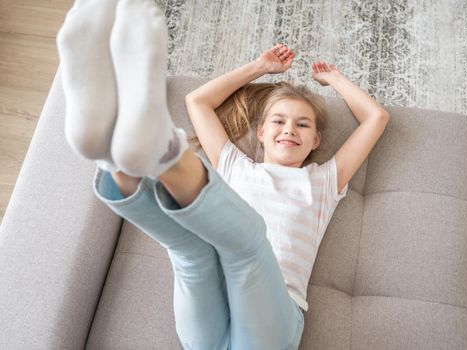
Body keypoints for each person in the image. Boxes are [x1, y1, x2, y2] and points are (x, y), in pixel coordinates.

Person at [56, 0, 390, 349]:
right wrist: (261, 67)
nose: (290, 129)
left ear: (316, 141)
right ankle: (146, 148)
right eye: (279, 121)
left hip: (210, 331)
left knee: (189, 252)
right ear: (260, 133)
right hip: (273, 305)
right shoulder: (237, 165)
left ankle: (114, 158)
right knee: (245, 248)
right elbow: (197, 102)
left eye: (302, 124)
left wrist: (334, 78)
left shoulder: (323, 179)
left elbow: (376, 119)